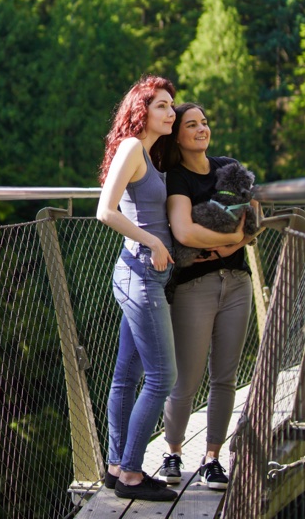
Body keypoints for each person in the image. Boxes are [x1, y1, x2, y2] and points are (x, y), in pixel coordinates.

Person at [158, 102, 258, 491]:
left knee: (225, 377)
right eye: (192, 124)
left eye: (205, 123)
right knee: (187, 378)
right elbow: (184, 233)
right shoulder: (175, 178)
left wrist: (226, 243)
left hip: (238, 283)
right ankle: (173, 450)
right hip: (193, 287)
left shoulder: (228, 167)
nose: (202, 129)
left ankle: (213, 458)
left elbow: (253, 218)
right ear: (177, 135)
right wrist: (231, 240)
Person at [96, 75, 186, 502]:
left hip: (144, 276)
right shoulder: (133, 148)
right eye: (163, 106)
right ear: (142, 111)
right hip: (140, 275)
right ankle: (131, 472)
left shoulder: (148, 154)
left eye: (172, 106)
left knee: (127, 376)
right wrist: (152, 241)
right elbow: (104, 211)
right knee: (162, 376)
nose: (171, 112)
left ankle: (115, 467)